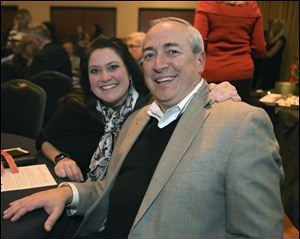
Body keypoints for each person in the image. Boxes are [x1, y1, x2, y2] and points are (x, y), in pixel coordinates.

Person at [3, 17, 283, 238]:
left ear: (200, 61)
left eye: (171, 51)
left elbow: (258, 233)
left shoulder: (240, 123)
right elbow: (108, 190)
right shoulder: (137, 120)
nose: (159, 64)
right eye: (149, 55)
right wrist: (67, 193)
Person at [36, 36, 240, 183]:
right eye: (95, 71)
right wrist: (60, 157)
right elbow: (44, 139)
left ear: (130, 71)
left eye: (113, 67)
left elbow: (190, 100)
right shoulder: (77, 108)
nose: (105, 77)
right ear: (87, 80)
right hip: (78, 203)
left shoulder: (153, 111)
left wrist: (216, 92)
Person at [194, 1, 266, 102]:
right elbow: (259, 48)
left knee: (211, 115)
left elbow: (197, 44)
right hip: (242, 73)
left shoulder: (207, 5)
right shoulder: (252, 8)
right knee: (240, 115)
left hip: (212, 72)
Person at [256, 19, 287, 90]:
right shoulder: (270, 37)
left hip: (273, 65)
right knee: (261, 84)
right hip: (265, 64)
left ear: (282, 28)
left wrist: (260, 50)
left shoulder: (281, 39)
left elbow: (270, 54)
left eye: (279, 26)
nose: (276, 27)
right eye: (275, 25)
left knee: (269, 85)